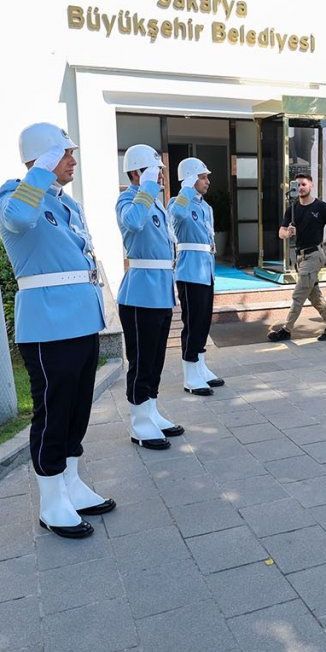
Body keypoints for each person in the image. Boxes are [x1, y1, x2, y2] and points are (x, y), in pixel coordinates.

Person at [0, 123, 116, 540]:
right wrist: (41, 172)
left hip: (82, 319)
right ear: (44, 157)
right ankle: (51, 500)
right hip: (47, 324)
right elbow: (18, 220)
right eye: (65, 154)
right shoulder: (15, 194)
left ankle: (71, 483)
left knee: (78, 407)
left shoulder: (69, 204)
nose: (73, 161)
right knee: (52, 410)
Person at [117, 144, 184, 450]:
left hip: (160, 291)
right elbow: (132, 222)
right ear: (136, 174)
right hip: (139, 294)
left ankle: (152, 413)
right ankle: (139, 424)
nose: (160, 178)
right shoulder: (129, 199)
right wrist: (144, 189)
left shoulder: (155, 204)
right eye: (154, 172)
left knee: (156, 360)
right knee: (141, 361)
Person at [170, 157, 226, 395]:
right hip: (189, 271)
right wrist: (185, 189)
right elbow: (176, 215)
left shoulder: (206, 207)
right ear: (191, 179)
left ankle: (201, 368)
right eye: (203, 177)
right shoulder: (178, 202)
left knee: (203, 322)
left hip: (206, 270)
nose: (208, 181)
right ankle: (190, 376)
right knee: (192, 324)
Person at [267, 172, 326, 342]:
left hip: (314, 256)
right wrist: (287, 232)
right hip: (300, 258)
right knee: (314, 295)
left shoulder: (321, 207)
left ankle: (286, 330)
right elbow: (281, 232)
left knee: (299, 294)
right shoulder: (292, 209)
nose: (300, 188)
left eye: (303, 184)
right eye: (297, 185)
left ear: (311, 186)